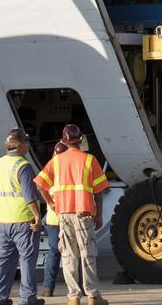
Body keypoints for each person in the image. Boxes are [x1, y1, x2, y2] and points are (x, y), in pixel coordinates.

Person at [35, 125, 109, 305]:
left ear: (64, 141)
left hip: (64, 214)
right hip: (84, 213)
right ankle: (92, 296)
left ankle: (73, 297)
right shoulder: (90, 160)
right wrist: (98, 215)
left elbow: (39, 184)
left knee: (68, 256)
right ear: (80, 140)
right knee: (87, 254)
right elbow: (98, 192)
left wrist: (51, 203)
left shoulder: (57, 161)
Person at [0, 128, 44, 305]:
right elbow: (30, 196)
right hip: (23, 221)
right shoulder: (23, 166)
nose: (28, 145)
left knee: (2, 260)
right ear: (20, 145)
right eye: (26, 142)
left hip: (2, 221)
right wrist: (37, 217)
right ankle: (28, 299)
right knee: (27, 260)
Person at [39, 142, 75, 298]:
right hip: (67, 217)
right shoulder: (68, 169)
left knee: (54, 253)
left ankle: (48, 289)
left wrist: (50, 203)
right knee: (73, 254)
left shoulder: (50, 168)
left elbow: (40, 185)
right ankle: (75, 288)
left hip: (53, 219)